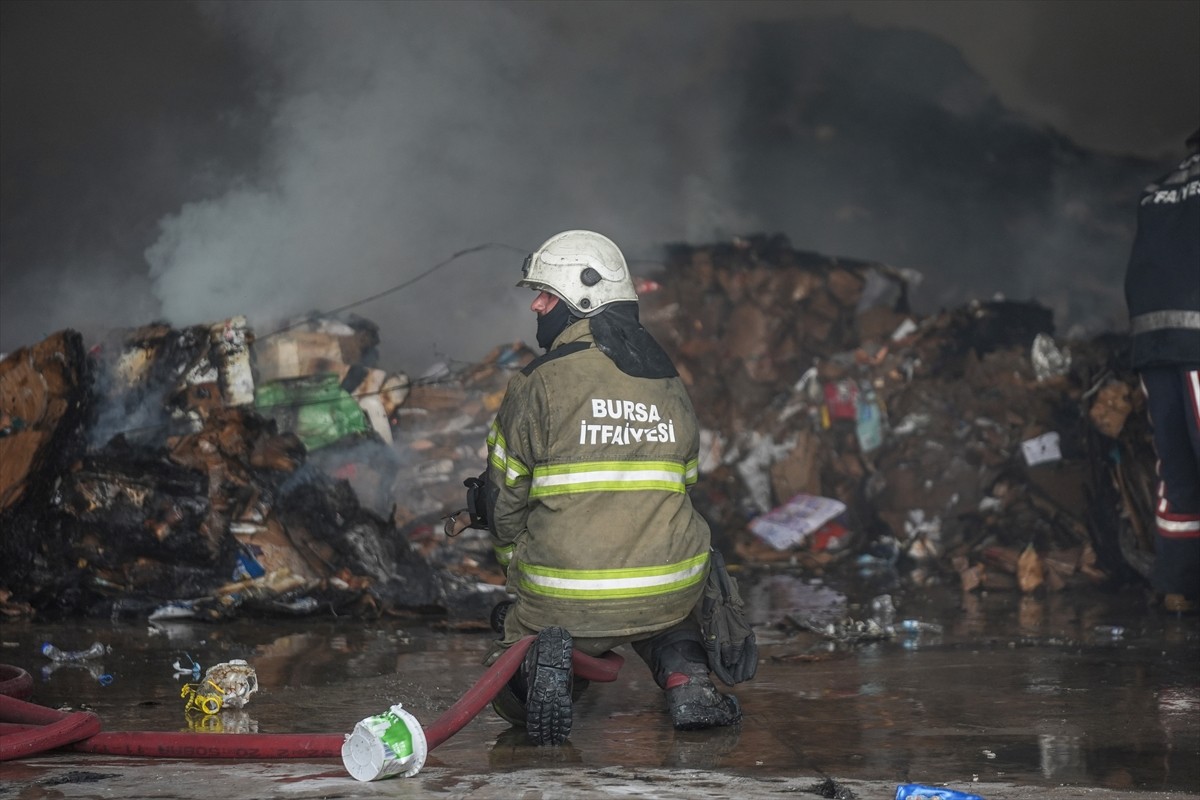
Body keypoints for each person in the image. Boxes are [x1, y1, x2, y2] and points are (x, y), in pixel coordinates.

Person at [478, 229, 743, 745]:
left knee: (510, 691)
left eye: (547, 294)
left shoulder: (537, 383)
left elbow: (503, 500)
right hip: (669, 588)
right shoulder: (667, 381)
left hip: (564, 597)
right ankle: (689, 682)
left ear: (583, 301)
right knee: (671, 607)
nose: (535, 304)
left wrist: (517, 568)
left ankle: (542, 662)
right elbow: (684, 484)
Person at [1123, 128, 1200, 615]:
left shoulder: (1158, 189)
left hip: (1154, 344)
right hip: (1197, 341)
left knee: (1178, 469)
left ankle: (1177, 583)